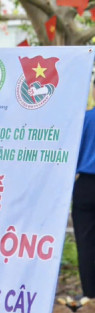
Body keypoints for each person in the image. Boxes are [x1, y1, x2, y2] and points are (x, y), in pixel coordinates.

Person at [72, 93, 95, 299]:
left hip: (86, 185)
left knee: (86, 241)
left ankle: (90, 294)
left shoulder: (83, 119)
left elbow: (71, 156)